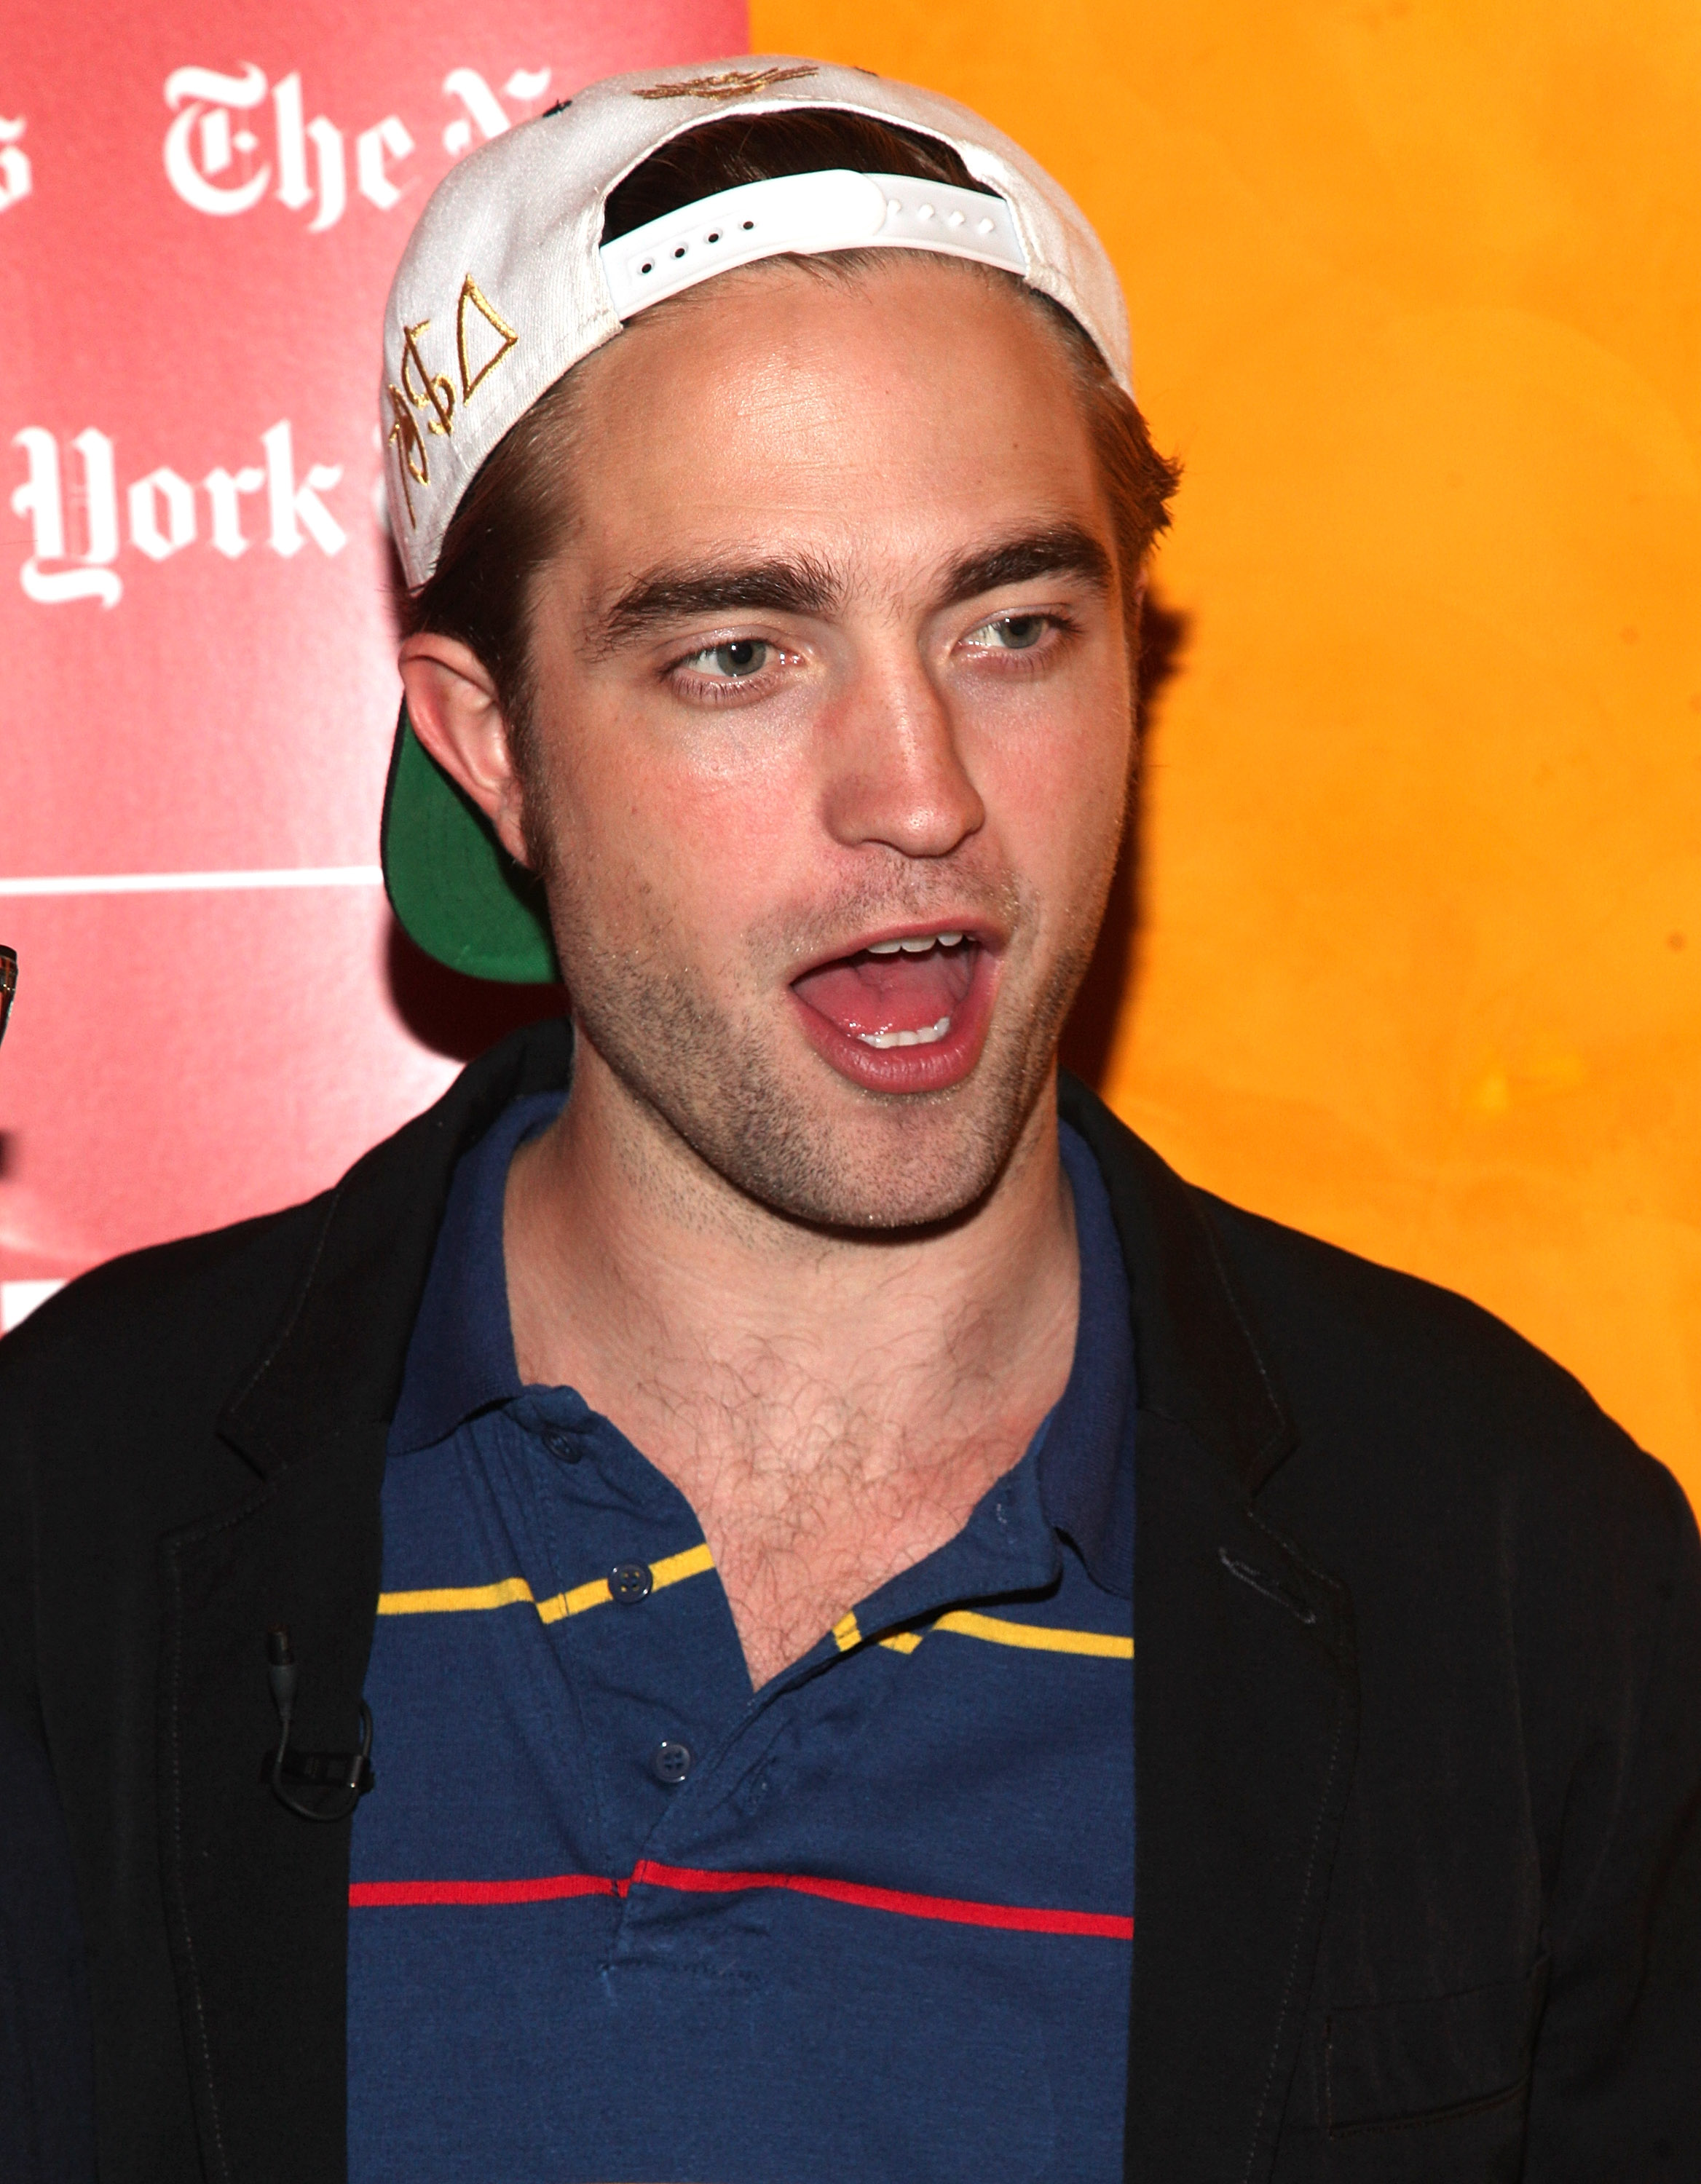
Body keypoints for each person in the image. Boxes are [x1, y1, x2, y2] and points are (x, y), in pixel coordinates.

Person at [1, 55, 1696, 2184]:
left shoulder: (1518, 1568)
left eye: (1013, 626)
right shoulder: (72, 1518)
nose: (924, 795)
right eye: (740, 653)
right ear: (488, 743)